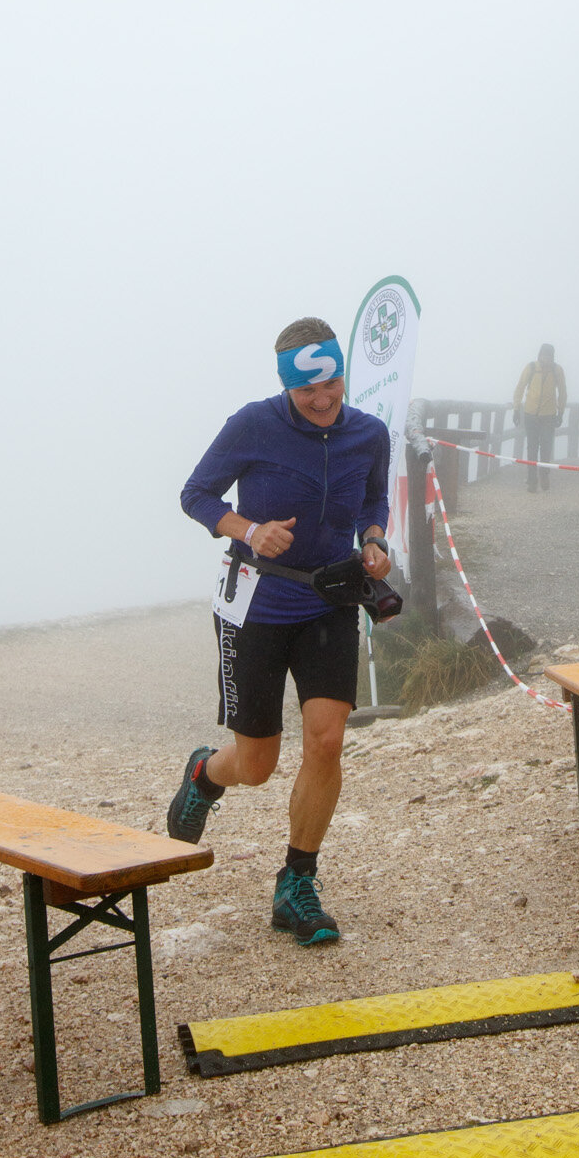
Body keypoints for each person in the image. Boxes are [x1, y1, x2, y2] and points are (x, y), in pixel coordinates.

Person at [167, 316, 392, 946]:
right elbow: (196, 494)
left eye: (333, 385)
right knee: (258, 763)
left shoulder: (369, 433)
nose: (323, 401)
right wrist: (248, 529)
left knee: (326, 741)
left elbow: (374, 501)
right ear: (286, 385)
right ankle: (207, 775)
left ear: (344, 372)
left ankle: (297, 882)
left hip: (328, 599)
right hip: (256, 607)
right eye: (306, 392)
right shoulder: (252, 425)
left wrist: (374, 540)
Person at [513, 344, 567, 493]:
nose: (546, 359)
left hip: (548, 415)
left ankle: (544, 473)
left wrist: (560, 412)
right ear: (539, 355)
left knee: (546, 446)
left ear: (553, 357)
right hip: (530, 414)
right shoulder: (531, 368)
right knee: (532, 447)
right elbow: (520, 387)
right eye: (544, 355)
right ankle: (532, 480)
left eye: (549, 356)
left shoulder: (557, 371)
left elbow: (562, 392)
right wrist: (516, 408)